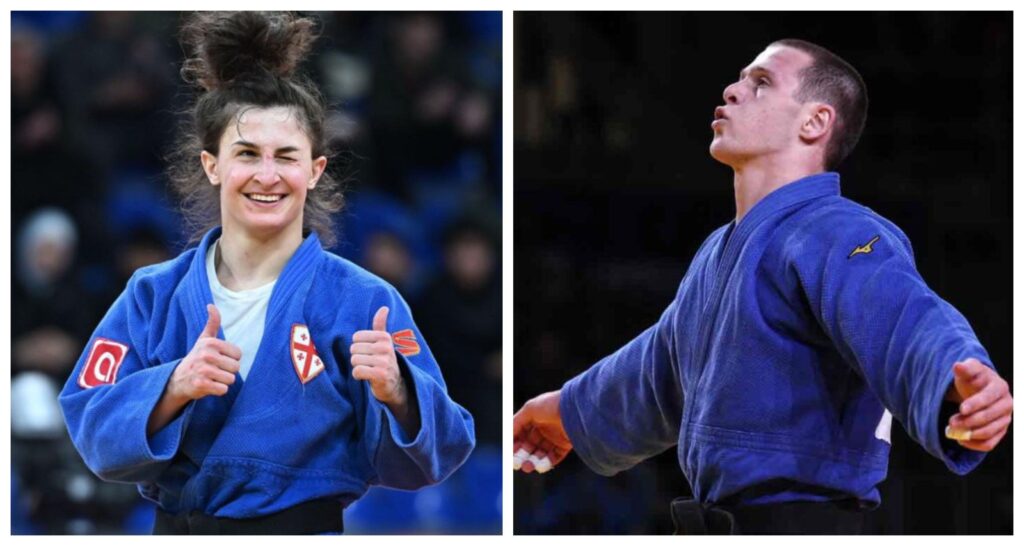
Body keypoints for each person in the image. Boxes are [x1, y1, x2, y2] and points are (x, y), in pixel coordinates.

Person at [512, 39, 1012, 534]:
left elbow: (904, 316)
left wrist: (957, 381)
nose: (732, 91)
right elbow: (659, 367)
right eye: (739, 80)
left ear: (814, 122)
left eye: (761, 83)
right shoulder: (717, 251)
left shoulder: (839, 230)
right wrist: (567, 410)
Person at [59, 12, 475, 535]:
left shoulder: (364, 301)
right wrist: (173, 386)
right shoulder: (153, 295)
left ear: (314, 170)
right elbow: (90, 422)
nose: (267, 175)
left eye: (286, 156)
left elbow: (446, 449)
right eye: (247, 154)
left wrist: (400, 393)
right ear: (213, 165)